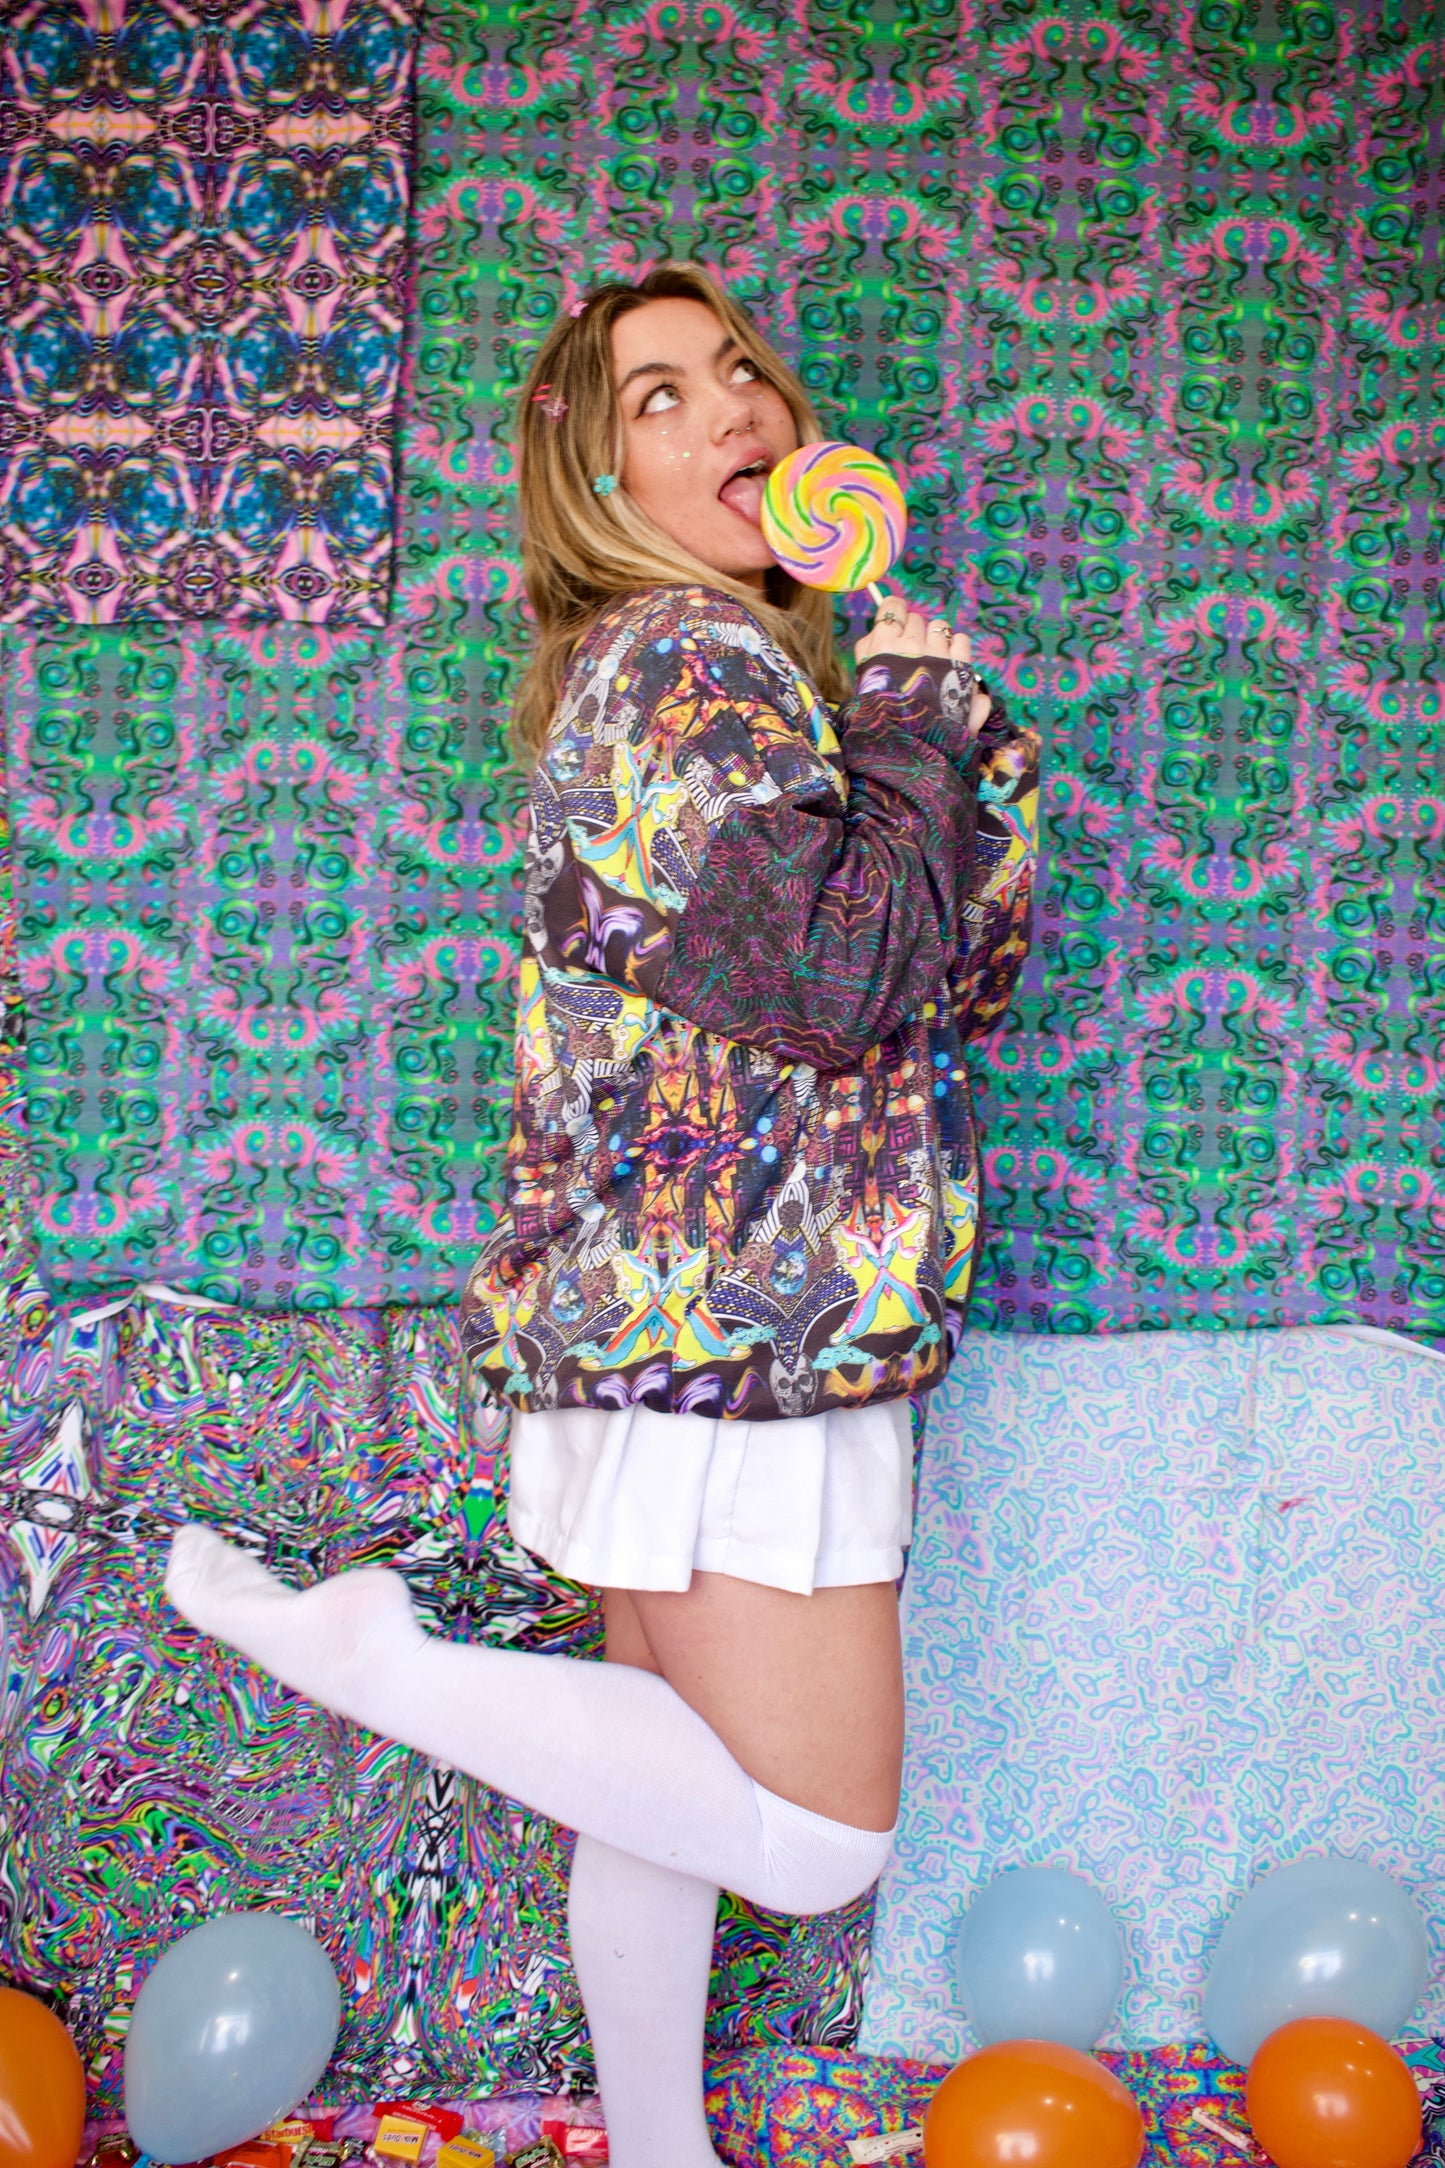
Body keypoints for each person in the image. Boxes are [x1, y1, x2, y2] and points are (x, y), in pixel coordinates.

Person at [165, 263, 1039, 2167]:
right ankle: (371, 1658)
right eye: (659, 396)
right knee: (815, 1843)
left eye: (738, 372)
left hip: (674, 1310)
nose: (732, 409)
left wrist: (944, 740)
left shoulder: (718, 679)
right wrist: (908, 713)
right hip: (747, 1318)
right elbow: (838, 977)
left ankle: (653, 2146)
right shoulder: (687, 660)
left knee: (663, 1789)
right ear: (597, 480)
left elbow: (932, 975)